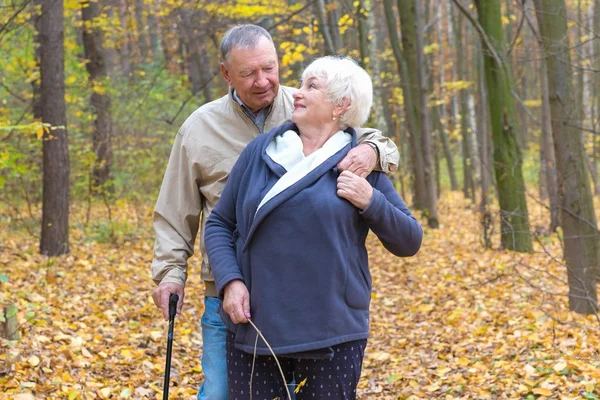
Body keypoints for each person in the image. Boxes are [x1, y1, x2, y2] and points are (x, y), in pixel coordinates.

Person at [150, 25, 400, 400]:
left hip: (304, 293)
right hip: (229, 291)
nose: (262, 81)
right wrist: (170, 273)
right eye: (248, 73)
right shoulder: (198, 129)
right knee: (220, 392)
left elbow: (366, 137)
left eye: (269, 68)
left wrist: (375, 152)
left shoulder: (305, 103)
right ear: (226, 74)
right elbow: (176, 212)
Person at [204, 56, 423, 399]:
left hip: (333, 329)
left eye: (311, 86)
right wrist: (230, 282)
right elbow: (219, 223)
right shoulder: (259, 152)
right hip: (257, 323)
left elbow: (409, 240)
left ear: (342, 104)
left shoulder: (359, 161)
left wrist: (370, 201)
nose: (297, 93)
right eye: (301, 84)